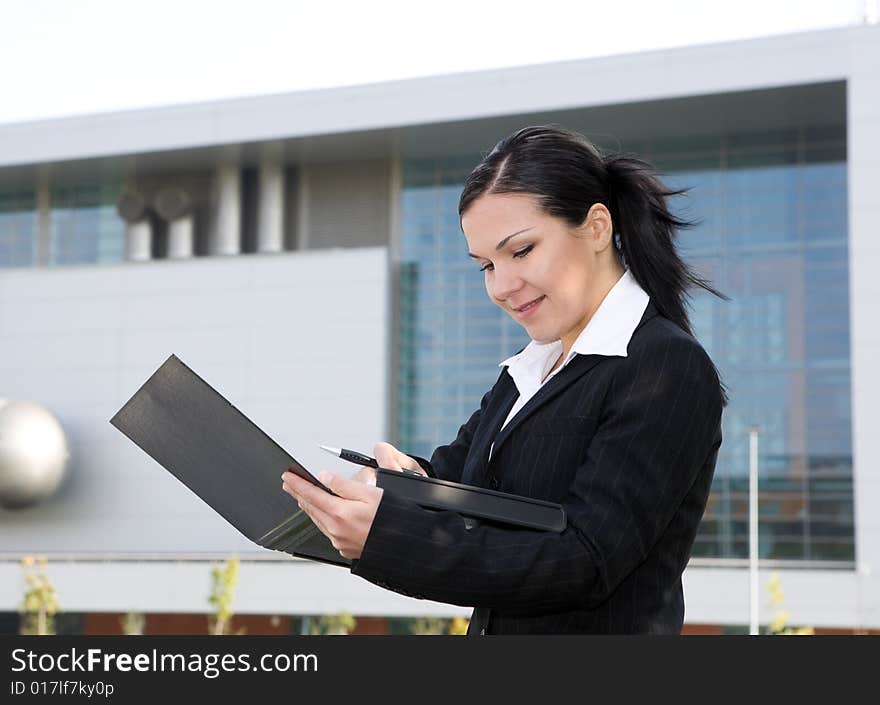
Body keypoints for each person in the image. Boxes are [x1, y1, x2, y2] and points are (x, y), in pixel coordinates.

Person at [282, 124, 727, 635]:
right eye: (485, 266)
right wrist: (399, 484)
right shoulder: (528, 370)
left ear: (597, 227)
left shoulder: (665, 365)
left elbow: (586, 561)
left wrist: (390, 538)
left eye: (521, 251)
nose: (501, 286)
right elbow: (458, 485)